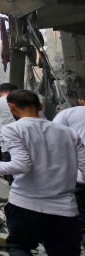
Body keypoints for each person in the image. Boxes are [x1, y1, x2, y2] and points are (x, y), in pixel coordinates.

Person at [0, 90, 85, 255]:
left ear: (12, 107)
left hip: (25, 205)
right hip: (64, 210)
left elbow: (22, 165)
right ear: (40, 106)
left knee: (19, 247)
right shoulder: (68, 132)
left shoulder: (12, 129)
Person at [53, 89, 85, 247]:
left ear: (81, 101)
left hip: (80, 175)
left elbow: (54, 142)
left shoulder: (68, 114)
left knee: (82, 217)